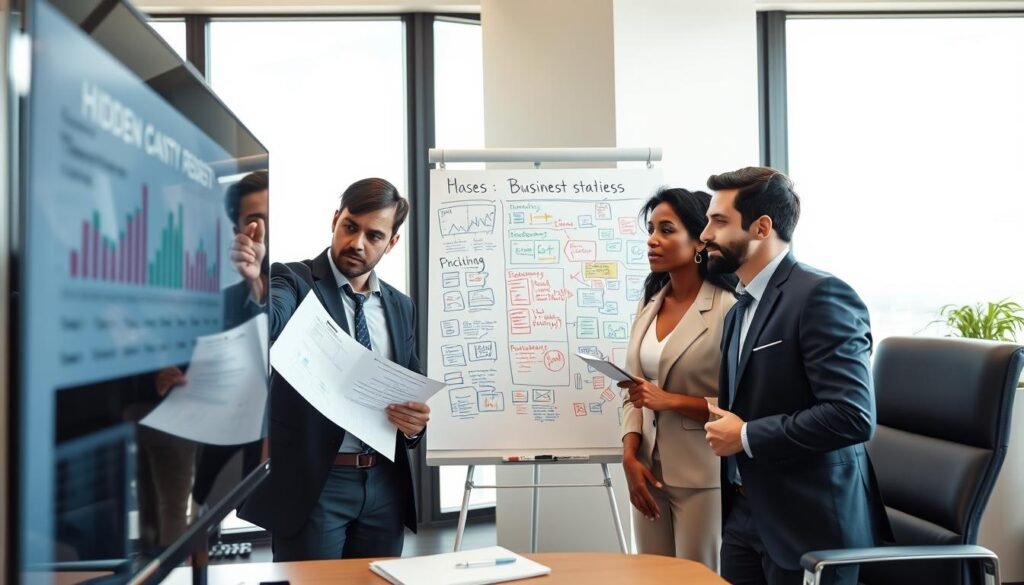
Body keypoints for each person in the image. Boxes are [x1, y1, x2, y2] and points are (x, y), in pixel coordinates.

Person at [700, 167, 889, 585]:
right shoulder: (737, 311)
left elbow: (853, 415)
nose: (704, 235)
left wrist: (747, 435)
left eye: (719, 221)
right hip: (745, 515)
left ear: (762, 227)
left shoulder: (821, 295)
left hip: (809, 525)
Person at [236, 177, 429, 561]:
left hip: (384, 486)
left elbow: (411, 387)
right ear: (335, 220)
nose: (357, 243)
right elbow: (269, 322)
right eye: (350, 227)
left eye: (374, 236)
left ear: (391, 243)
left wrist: (415, 424)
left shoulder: (400, 306)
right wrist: (252, 283)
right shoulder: (293, 279)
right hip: (316, 485)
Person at [618, 187, 736, 569]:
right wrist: (629, 455)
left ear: (699, 239)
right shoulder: (650, 303)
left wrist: (668, 400)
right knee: (652, 575)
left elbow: (742, 405)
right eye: (650, 229)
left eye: (666, 230)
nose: (652, 240)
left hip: (702, 473)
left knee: (698, 576)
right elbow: (633, 391)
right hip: (646, 469)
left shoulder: (727, 308)